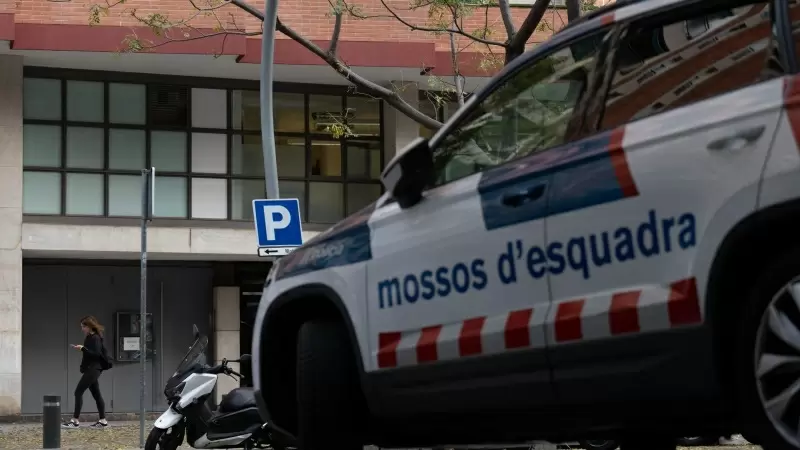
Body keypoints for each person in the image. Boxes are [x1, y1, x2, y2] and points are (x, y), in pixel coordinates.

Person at [62, 316, 108, 429]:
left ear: (89, 326)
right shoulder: (89, 337)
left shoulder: (95, 338)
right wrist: (82, 365)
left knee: (78, 392)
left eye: (83, 326)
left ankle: (75, 421)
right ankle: (103, 421)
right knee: (97, 394)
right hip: (90, 369)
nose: (82, 329)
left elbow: (96, 354)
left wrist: (83, 348)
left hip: (94, 369)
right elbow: (87, 355)